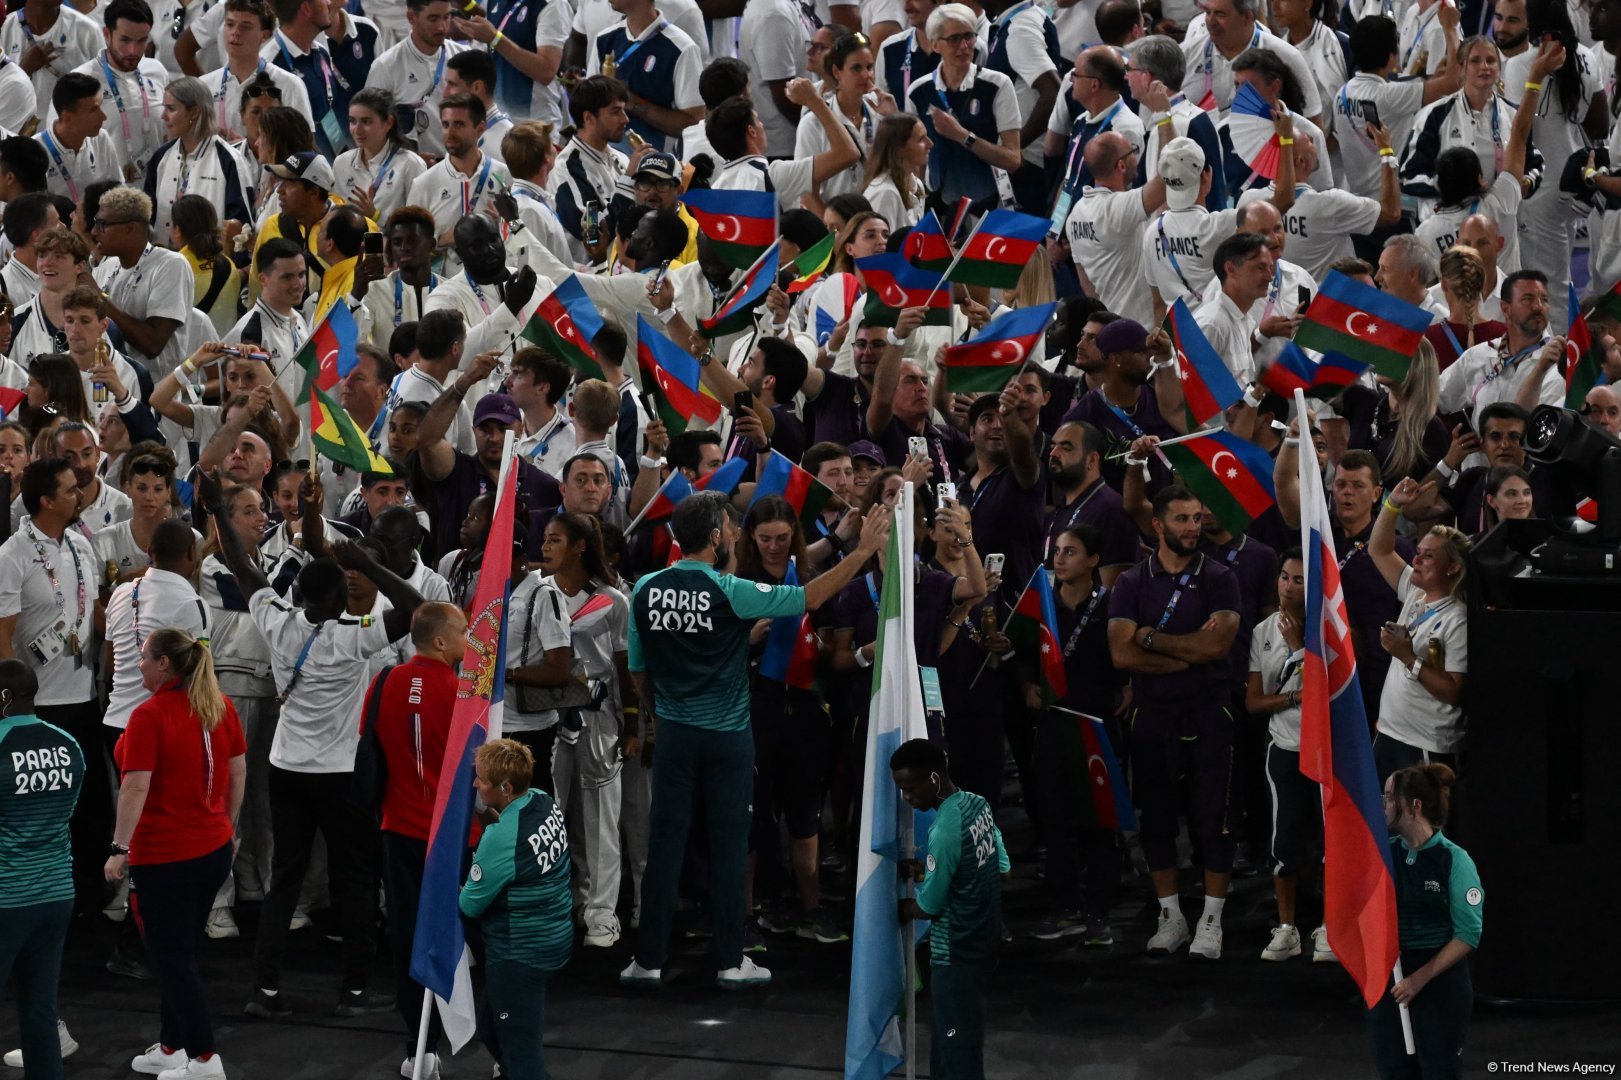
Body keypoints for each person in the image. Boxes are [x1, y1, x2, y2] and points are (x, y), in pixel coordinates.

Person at [620, 491, 891, 989]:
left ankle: (648, 961)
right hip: (727, 738)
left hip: (676, 734)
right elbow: (809, 598)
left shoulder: (644, 589)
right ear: (719, 536)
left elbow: (639, 672)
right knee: (728, 846)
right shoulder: (732, 590)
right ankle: (729, 962)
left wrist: (661, 717)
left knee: (664, 847)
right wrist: (860, 551)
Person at [202, 468, 425, 1019]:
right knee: (352, 878)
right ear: (337, 597)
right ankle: (353, 990)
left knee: (285, 878)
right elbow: (415, 606)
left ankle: (265, 988)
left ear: (301, 593)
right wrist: (366, 561)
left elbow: (241, 564)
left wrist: (215, 509)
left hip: (286, 768)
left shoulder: (278, 621)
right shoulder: (355, 636)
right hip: (342, 772)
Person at [104, 628, 245, 1080]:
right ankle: (172, 1045)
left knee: (171, 958)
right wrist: (229, 825)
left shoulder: (149, 716)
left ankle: (205, 1058)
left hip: (166, 857)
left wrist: (119, 848)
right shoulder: (219, 707)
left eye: (144, 656)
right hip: (212, 850)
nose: (139, 663)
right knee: (182, 951)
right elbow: (237, 770)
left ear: (165, 664)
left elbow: (136, 785)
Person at [1108, 485, 1240, 958]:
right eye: (1182, 519)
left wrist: (1151, 638)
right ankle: (1171, 917)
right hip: (1152, 716)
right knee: (1156, 820)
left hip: (1209, 712)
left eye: (1197, 518)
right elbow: (1120, 652)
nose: (1192, 527)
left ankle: (1211, 921)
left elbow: (1216, 648)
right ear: (1158, 525)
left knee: (1212, 821)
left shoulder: (1221, 577)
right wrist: (1183, 654)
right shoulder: (1130, 582)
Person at [367, 601, 467, 1080]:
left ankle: (420, 1047)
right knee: (466, 942)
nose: (470, 641)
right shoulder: (461, 693)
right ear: (441, 641)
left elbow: (372, 747)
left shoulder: (385, 682)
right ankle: (498, 1046)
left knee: (409, 938)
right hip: (448, 838)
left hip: (398, 829)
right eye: (464, 632)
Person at [893, 737, 1008, 1080]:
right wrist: (927, 870)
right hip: (982, 941)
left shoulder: (943, 830)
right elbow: (1001, 866)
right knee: (957, 1033)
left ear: (932, 779)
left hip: (953, 952)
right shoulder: (978, 805)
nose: (907, 798)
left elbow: (929, 906)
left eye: (909, 789)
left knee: (955, 1038)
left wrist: (906, 907)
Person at [460, 739, 574, 1080]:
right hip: (553, 935)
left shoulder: (500, 840)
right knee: (491, 1027)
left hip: (519, 952)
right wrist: (486, 814)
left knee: (523, 1056)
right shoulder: (541, 800)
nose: (474, 785)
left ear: (505, 787)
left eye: (481, 779)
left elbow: (470, 904)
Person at [1245, 549, 1335, 964]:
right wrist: (1293, 695)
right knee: (1284, 846)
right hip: (1283, 750)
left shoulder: (1330, 630)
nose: (1287, 586)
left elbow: (1330, 695)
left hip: (1328, 754)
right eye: (1283, 577)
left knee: (1330, 845)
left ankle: (1330, 927)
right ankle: (1287, 929)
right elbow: (1254, 702)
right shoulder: (1262, 630)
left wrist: (1300, 649)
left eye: (1298, 580)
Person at [1367, 764, 1483, 1079]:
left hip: (1439, 986)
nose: (1383, 805)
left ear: (1414, 806)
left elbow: (1468, 935)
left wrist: (1418, 980)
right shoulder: (1383, 855)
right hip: (1392, 981)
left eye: (1390, 798)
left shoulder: (1453, 859)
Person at [0, 659, 84, 1080]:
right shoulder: (68, 743)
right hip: (55, 893)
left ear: (3, 698)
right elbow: (66, 813)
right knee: (39, 1008)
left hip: (6, 896)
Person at [1371, 477, 1471, 781]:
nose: (1416, 559)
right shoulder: (1415, 595)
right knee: (1384, 823)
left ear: (1452, 567)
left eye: (1429, 556)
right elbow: (1379, 550)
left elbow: (1454, 692)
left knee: (1418, 826)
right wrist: (1392, 505)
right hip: (1390, 732)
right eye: (1419, 550)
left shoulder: (1458, 619)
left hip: (1425, 744)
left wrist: (1409, 658)